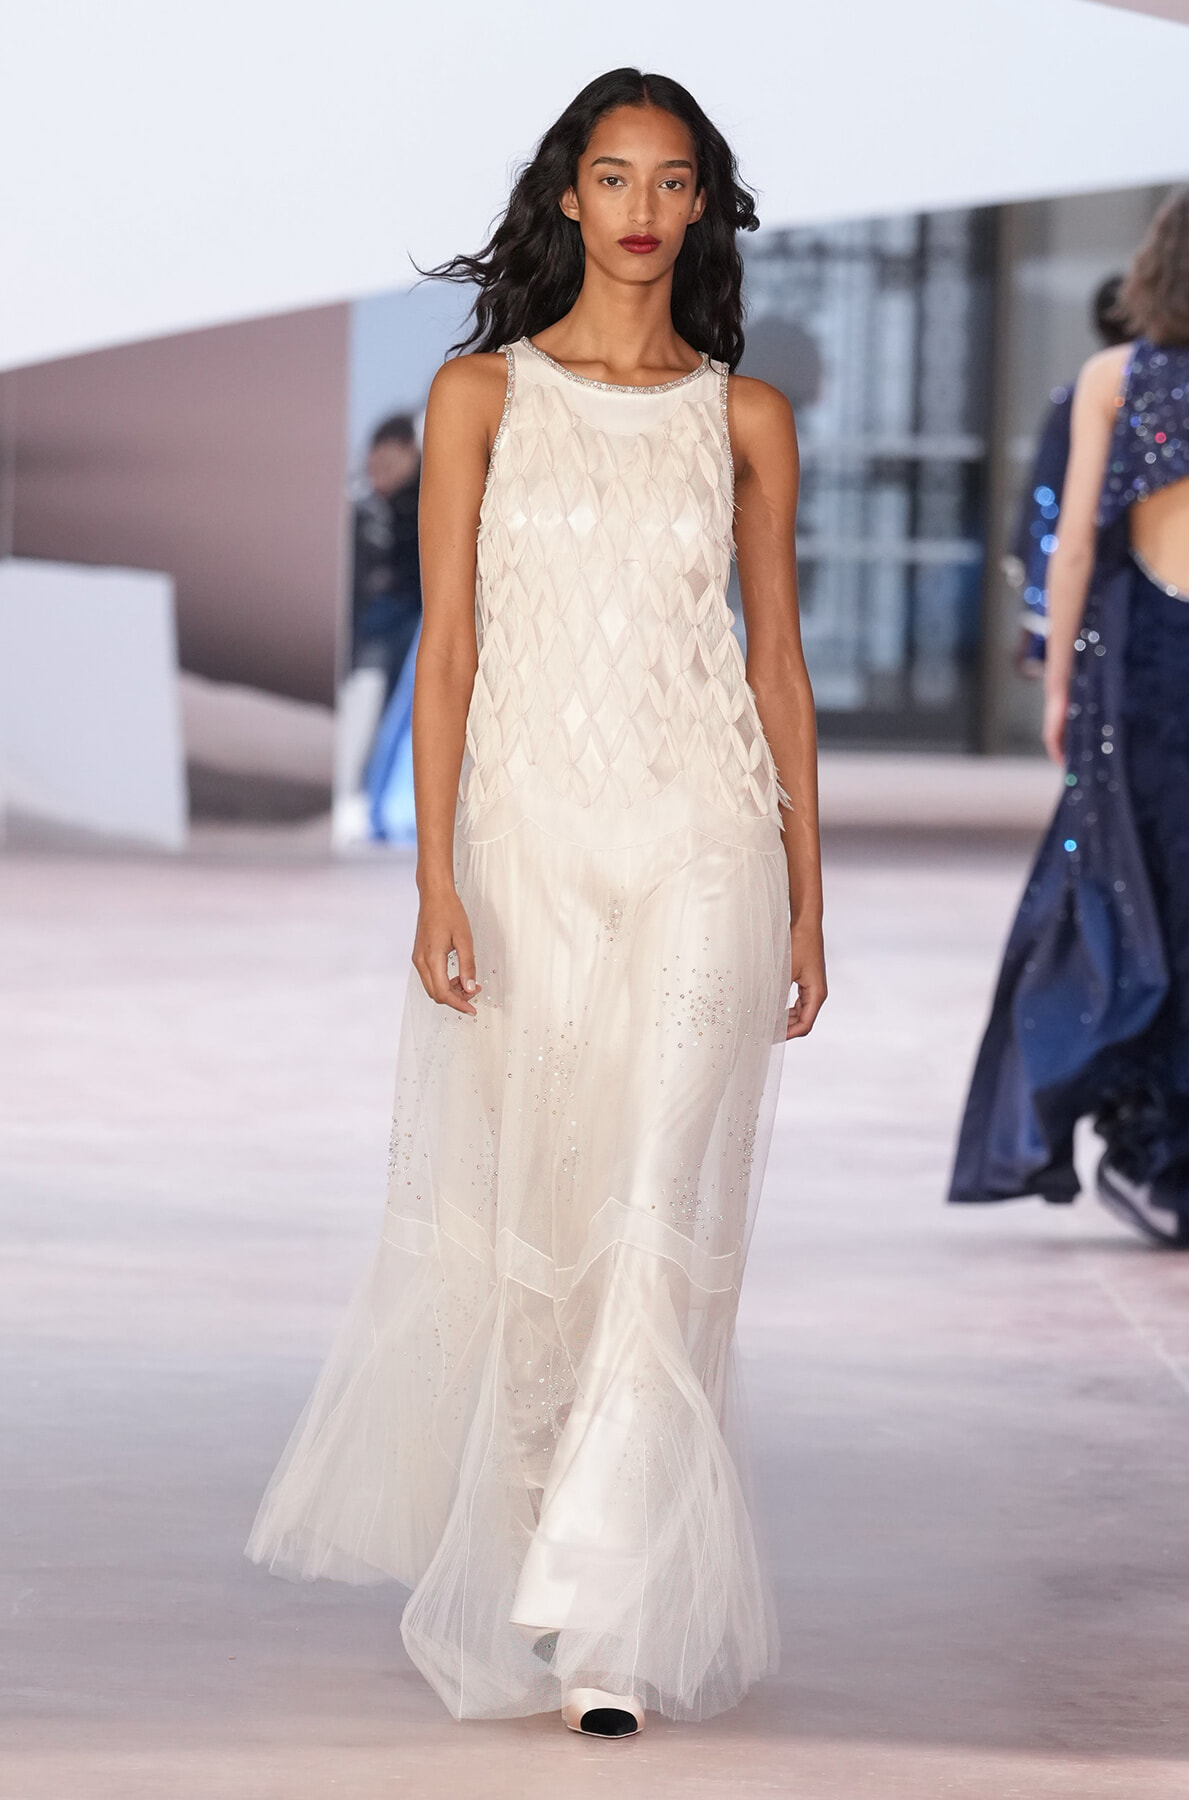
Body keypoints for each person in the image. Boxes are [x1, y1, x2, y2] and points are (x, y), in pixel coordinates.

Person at [247, 69, 826, 1734]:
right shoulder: (479, 397)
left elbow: (773, 664)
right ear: (568, 197)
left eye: (671, 178)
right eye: (611, 174)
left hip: (705, 826)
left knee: (658, 1210)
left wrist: (805, 892)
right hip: (530, 836)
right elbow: (449, 650)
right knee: (551, 1220)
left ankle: (612, 1619)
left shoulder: (748, 416)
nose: (641, 204)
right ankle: (537, 1548)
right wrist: (432, 873)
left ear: (701, 205)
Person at [950, 185, 1189, 1246]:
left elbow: (1077, 547)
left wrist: (1056, 687)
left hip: (1142, 674)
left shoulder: (1115, 376)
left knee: (1142, 895)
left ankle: (1162, 1147)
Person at [1006, 276, 1133, 675]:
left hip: (1091, 585)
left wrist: (1040, 613)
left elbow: (1048, 501)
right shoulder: (1093, 396)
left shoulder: (1081, 396)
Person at [333, 416, 423, 843]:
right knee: (370, 705)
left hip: (418, 621)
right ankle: (363, 796)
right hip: (377, 622)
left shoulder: (431, 498)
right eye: (374, 466)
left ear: (410, 454)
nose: (379, 475)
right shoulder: (363, 509)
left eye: (388, 464)